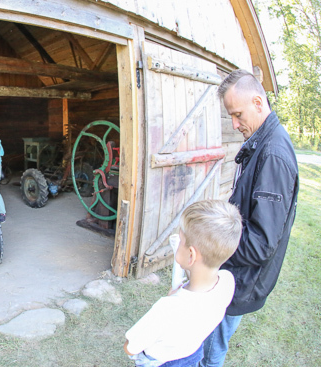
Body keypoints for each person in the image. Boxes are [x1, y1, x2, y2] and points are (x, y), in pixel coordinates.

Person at [199, 69, 299, 366]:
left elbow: (262, 243)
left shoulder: (273, 155)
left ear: (258, 102)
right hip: (235, 273)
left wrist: (212, 249)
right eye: (230, 116)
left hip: (242, 279)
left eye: (238, 114)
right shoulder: (261, 141)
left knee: (212, 350)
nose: (234, 124)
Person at [124, 200, 242, 367]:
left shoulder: (168, 309)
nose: (177, 243)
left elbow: (131, 347)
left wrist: (175, 298)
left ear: (191, 255)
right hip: (191, 355)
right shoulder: (227, 282)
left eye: (180, 240)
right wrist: (180, 292)